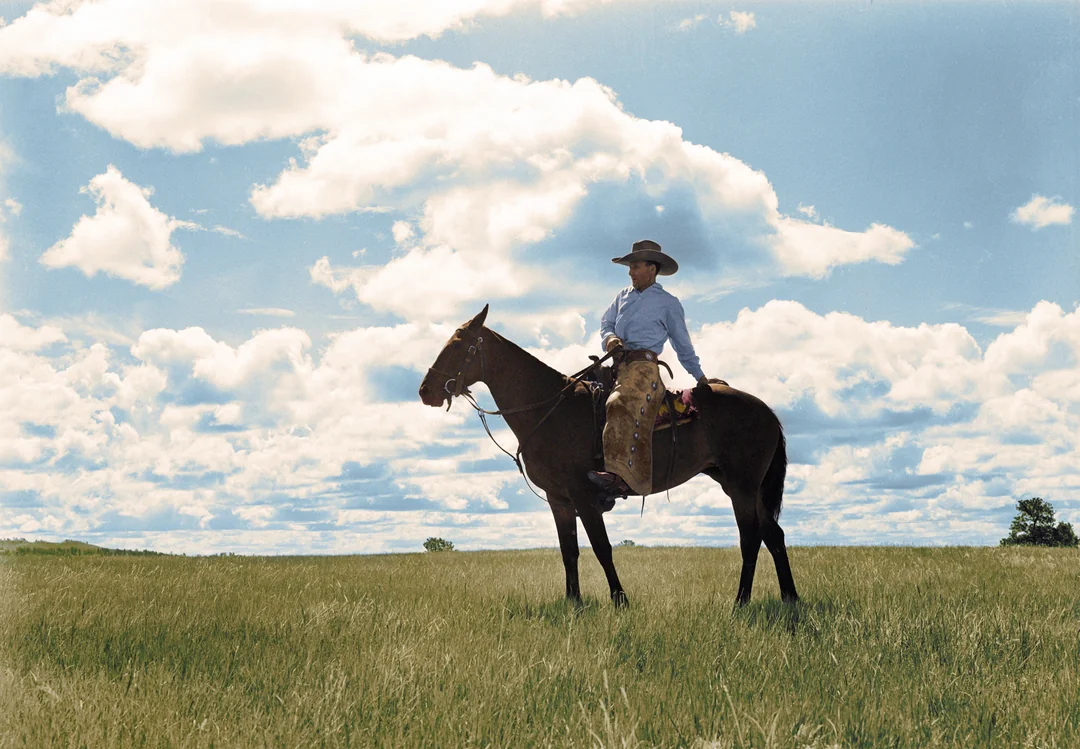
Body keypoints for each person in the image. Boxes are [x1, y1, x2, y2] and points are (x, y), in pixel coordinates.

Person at [588, 239, 711, 504]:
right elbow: (606, 322)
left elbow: (682, 344)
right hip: (617, 365)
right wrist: (610, 339)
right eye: (630, 267)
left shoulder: (668, 303)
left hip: (644, 369)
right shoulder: (622, 296)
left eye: (635, 267)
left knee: (619, 403)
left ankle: (619, 478)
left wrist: (699, 376)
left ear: (652, 269)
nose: (631, 272)